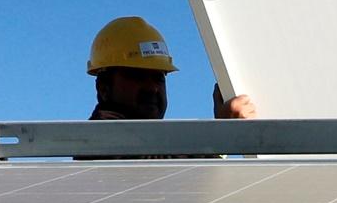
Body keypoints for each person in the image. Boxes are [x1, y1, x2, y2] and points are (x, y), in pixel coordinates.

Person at [84, 15, 258, 123]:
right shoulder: (98, 141)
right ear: (104, 88)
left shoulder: (154, 144)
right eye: (137, 76)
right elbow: (155, 168)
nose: (153, 87)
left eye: (159, 77)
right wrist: (221, 137)